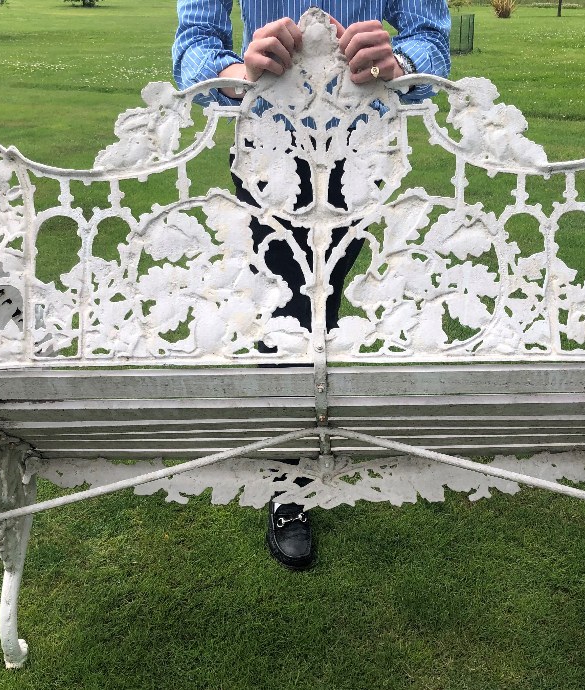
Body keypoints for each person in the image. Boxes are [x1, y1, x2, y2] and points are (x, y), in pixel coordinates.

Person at [173, 0, 451, 570]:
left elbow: (433, 43)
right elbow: (193, 48)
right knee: (284, 309)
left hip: (361, 154)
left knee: (324, 307)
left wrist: (396, 61)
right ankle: (291, 486)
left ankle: (309, 449)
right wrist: (238, 73)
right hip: (269, 153)